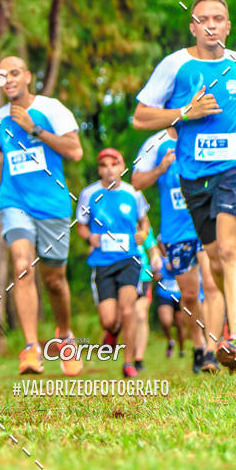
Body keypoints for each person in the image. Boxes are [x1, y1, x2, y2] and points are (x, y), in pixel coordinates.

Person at [133, 0, 236, 370]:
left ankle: (231, 341)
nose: (211, 25)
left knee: (227, 250)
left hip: (232, 170)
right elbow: (141, 118)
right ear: (193, 27)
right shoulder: (174, 66)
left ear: (227, 25)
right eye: (203, 19)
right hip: (193, 177)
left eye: (218, 18)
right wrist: (184, 113)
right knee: (219, 261)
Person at [0, 56, 83, 376]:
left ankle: (64, 335)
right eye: (1, 75)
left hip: (52, 203)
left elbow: (75, 150)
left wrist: (34, 129)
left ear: (27, 76)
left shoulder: (52, 109)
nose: (8, 79)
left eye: (14, 73)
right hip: (14, 200)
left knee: (54, 280)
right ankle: (30, 348)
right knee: (22, 266)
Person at [132, 127, 224, 373]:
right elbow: (136, 182)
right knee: (190, 295)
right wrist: (161, 168)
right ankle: (198, 345)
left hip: (205, 222)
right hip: (175, 234)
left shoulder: (205, 134)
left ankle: (211, 352)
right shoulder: (156, 143)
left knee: (213, 286)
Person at [76, 148, 152, 378]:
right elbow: (81, 225)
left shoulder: (133, 193)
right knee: (109, 319)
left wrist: (143, 233)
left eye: (114, 164)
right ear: (100, 170)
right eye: (104, 165)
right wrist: (90, 237)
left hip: (129, 258)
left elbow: (144, 221)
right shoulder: (89, 194)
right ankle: (112, 332)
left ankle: (128, 363)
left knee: (128, 311)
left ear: (121, 167)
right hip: (102, 262)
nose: (109, 169)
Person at [134, 226, 162, 371]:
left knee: (141, 314)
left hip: (143, 276)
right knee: (126, 316)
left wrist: (156, 257)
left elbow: (152, 247)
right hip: (120, 273)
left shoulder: (143, 225)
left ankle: (138, 359)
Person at [155, 256, 186, 358]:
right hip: (164, 294)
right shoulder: (159, 259)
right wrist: (156, 273)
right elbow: (153, 275)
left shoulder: (182, 254)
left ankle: (182, 350)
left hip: (180, 295)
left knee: (180, 325)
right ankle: (170, 341)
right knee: (166, 321)